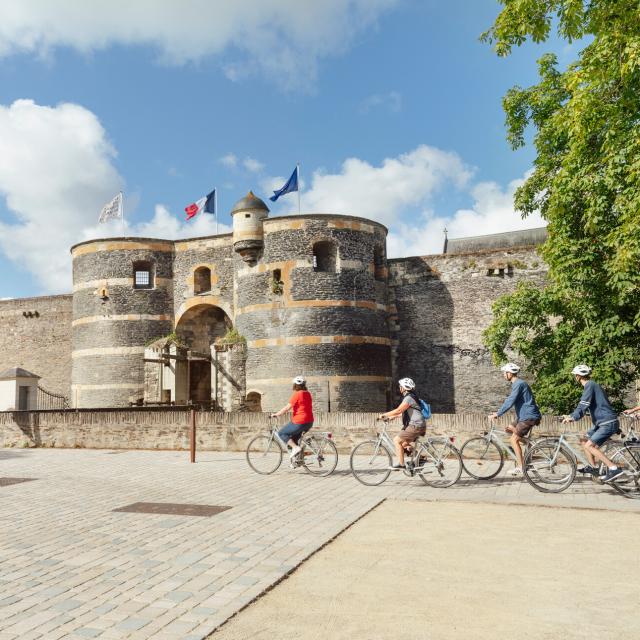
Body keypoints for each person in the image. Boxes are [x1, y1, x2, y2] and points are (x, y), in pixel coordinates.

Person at [561, 365, 622, 483]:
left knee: (589, 445)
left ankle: (613, 468)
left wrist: (573, 417)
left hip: (606, 423)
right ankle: (594, 468)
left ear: (578, 377)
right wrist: (570, 415)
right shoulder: (593, 385)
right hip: (602, 422)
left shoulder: (590, 385)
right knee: (584, 441)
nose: (575, 377)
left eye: (575, 375)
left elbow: (583, 404)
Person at [488, 363, 541, 477]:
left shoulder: (519, 384)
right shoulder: (517, 384)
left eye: (504, 373)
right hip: (523, 416)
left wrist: (498, 413)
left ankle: (521, 467)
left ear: (510, 373)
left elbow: (510, 400)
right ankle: (531, 444)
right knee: (509, 429)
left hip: (528, 416)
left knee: (513, 440)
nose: (503, 375)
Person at [378, 377, 426, 470]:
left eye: (400, 386)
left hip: (415, 426)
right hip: (419, 425)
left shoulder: (408, 398)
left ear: (403, 388)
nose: (399, 388)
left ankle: (401, 464)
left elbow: (399, 410)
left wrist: (384, 415)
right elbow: (405, 412)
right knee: (404, 445)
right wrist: (393, 417)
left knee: (397, 440)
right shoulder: (412, 396)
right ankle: (421, 458)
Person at [270, 376, 314, 465]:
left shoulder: (298, 394)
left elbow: (287, 407)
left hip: (300, 421)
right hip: (309, 422)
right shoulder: (307, 393)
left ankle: (296, 448)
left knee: (282, 433)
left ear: (295, 385)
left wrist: (276, 414)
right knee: (293, 440)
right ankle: (297, 460)